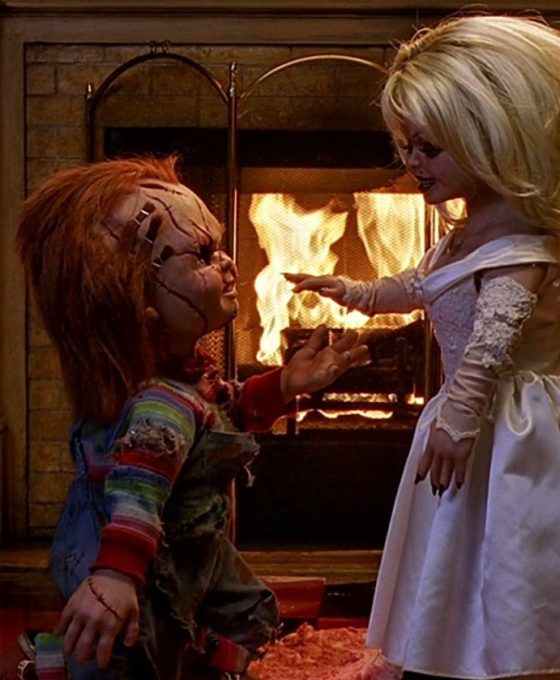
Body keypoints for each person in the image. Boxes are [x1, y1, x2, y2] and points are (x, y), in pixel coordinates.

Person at [7, 155, 368, 680]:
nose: (228, 263)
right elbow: (137, 491)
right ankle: (45, 659)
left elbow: (219, 412)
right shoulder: (159, 407)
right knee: (127, 653)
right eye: (202, 254)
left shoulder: (183, 382)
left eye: (218, 246)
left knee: (249, 612)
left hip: (191, 544)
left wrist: (284, 385)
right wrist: (117, 575)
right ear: (141, 306)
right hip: (137, 553)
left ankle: (201, 656)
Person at [286, 13, 560, 680]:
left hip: (507, 424)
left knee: (505, 541)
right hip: (472, 416)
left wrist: (460, 418)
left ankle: (509, 652)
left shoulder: (519, 244)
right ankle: (453, 640)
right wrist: (351, 290)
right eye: (405, 146)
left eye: (429, 149)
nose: (411, 163)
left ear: (494, 140)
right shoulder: (466, 232)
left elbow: (493, 341)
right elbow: (420, 285)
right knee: (459, 538)